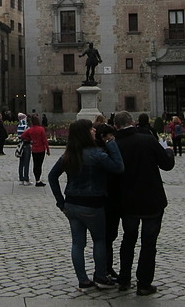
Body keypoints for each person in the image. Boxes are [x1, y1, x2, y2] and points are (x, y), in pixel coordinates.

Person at [48, 119, 124, 290]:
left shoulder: (68, 154)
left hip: (72, 204)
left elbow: (52, 177)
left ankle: (83, 279)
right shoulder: (96, 154)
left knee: (77, 243)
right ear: (84, 133)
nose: (94, 131)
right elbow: (118, 167)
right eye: (91, 129)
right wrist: (111, 143)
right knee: (99, 240)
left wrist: (61, 202)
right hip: (93, 204)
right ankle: (101, 277)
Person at [111, 111, 175, 296]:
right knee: (149, 243)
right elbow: (166, 165)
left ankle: (124, 279)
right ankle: (144, 283)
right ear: (132, 122)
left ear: (116, 126)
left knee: (128, 239)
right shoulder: (147, 140)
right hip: (151, 201)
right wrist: (169, 153)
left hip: (128, 202)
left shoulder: (115, 144)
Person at [21, 113, 50, 187]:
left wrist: (30, 139)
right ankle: (38, 180)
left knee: (35, 164)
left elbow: (23, 136)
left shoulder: (30, 129)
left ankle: (36, 179)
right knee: (39, 165)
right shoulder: (41, 129)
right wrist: (48, 149)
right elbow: (44, 140)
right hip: (41, 149)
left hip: (34, 149)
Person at [16, 112, 31, 185]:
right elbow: (29, 135)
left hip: (20, 145)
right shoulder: (26, 126)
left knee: (21, 163)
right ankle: (26, 178)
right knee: (26, 163)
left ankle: (21, 177)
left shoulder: (18, 126)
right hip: (26, 145)